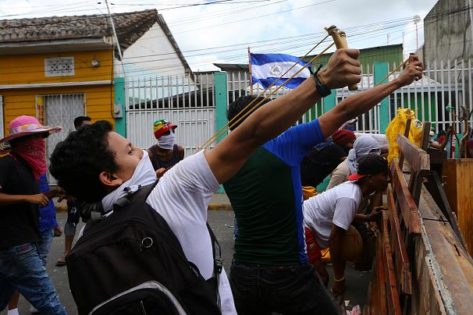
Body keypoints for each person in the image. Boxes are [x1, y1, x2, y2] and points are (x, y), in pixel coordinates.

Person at [48, 48, 366, 314]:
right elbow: (252, 133)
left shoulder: (88, 239)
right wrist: (321, 81)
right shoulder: (173, 189)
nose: (141, 150)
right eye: (131, 150)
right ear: (110, 177)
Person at [223, 55, 423, 314]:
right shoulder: (285, 144)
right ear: (258, 120)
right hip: (287, 271)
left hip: (242, 274)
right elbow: (344, 111)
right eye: (269, 114)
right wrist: (400, 81)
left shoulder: (220, 158)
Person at [0, 115, 67, 314]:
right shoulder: (6, 163)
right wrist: (29, 199)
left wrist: (51, 194)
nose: (41, 143)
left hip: (19, 241)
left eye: (42, 137)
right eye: (36, 138)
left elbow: (33, 198)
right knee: (49, 300)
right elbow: (26, 198)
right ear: (22, 142)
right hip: (15, 242)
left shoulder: (28, 167)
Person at [303, 154, 388, 299]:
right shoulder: (350, 197)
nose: (387, 179)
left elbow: (341, 215)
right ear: (369, 178)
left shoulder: (354, 189)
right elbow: (334, 240)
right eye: (383, 175)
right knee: (321, 278)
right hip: (304, 228)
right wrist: (339, 279)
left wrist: (367, 217)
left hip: (306, 223)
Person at [8, 174, 61, 315]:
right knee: (20, 271)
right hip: (23, 228)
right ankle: (12, 309)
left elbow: (42, 197)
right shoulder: (11, 164)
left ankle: (36, 304)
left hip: (45, 225)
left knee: (39, 268)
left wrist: (54, 221)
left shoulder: (39, 168)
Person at [56, 115, 92, 267]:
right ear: (78, 127)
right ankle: (67, 252)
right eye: (86, 126)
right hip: (74, 192)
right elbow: (62, 169)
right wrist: (65, 190)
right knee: (72, 220)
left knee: (93, 220)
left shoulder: (95, 146)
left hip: (91, 193)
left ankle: (91, 251)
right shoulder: (68, 146)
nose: (89, 129)